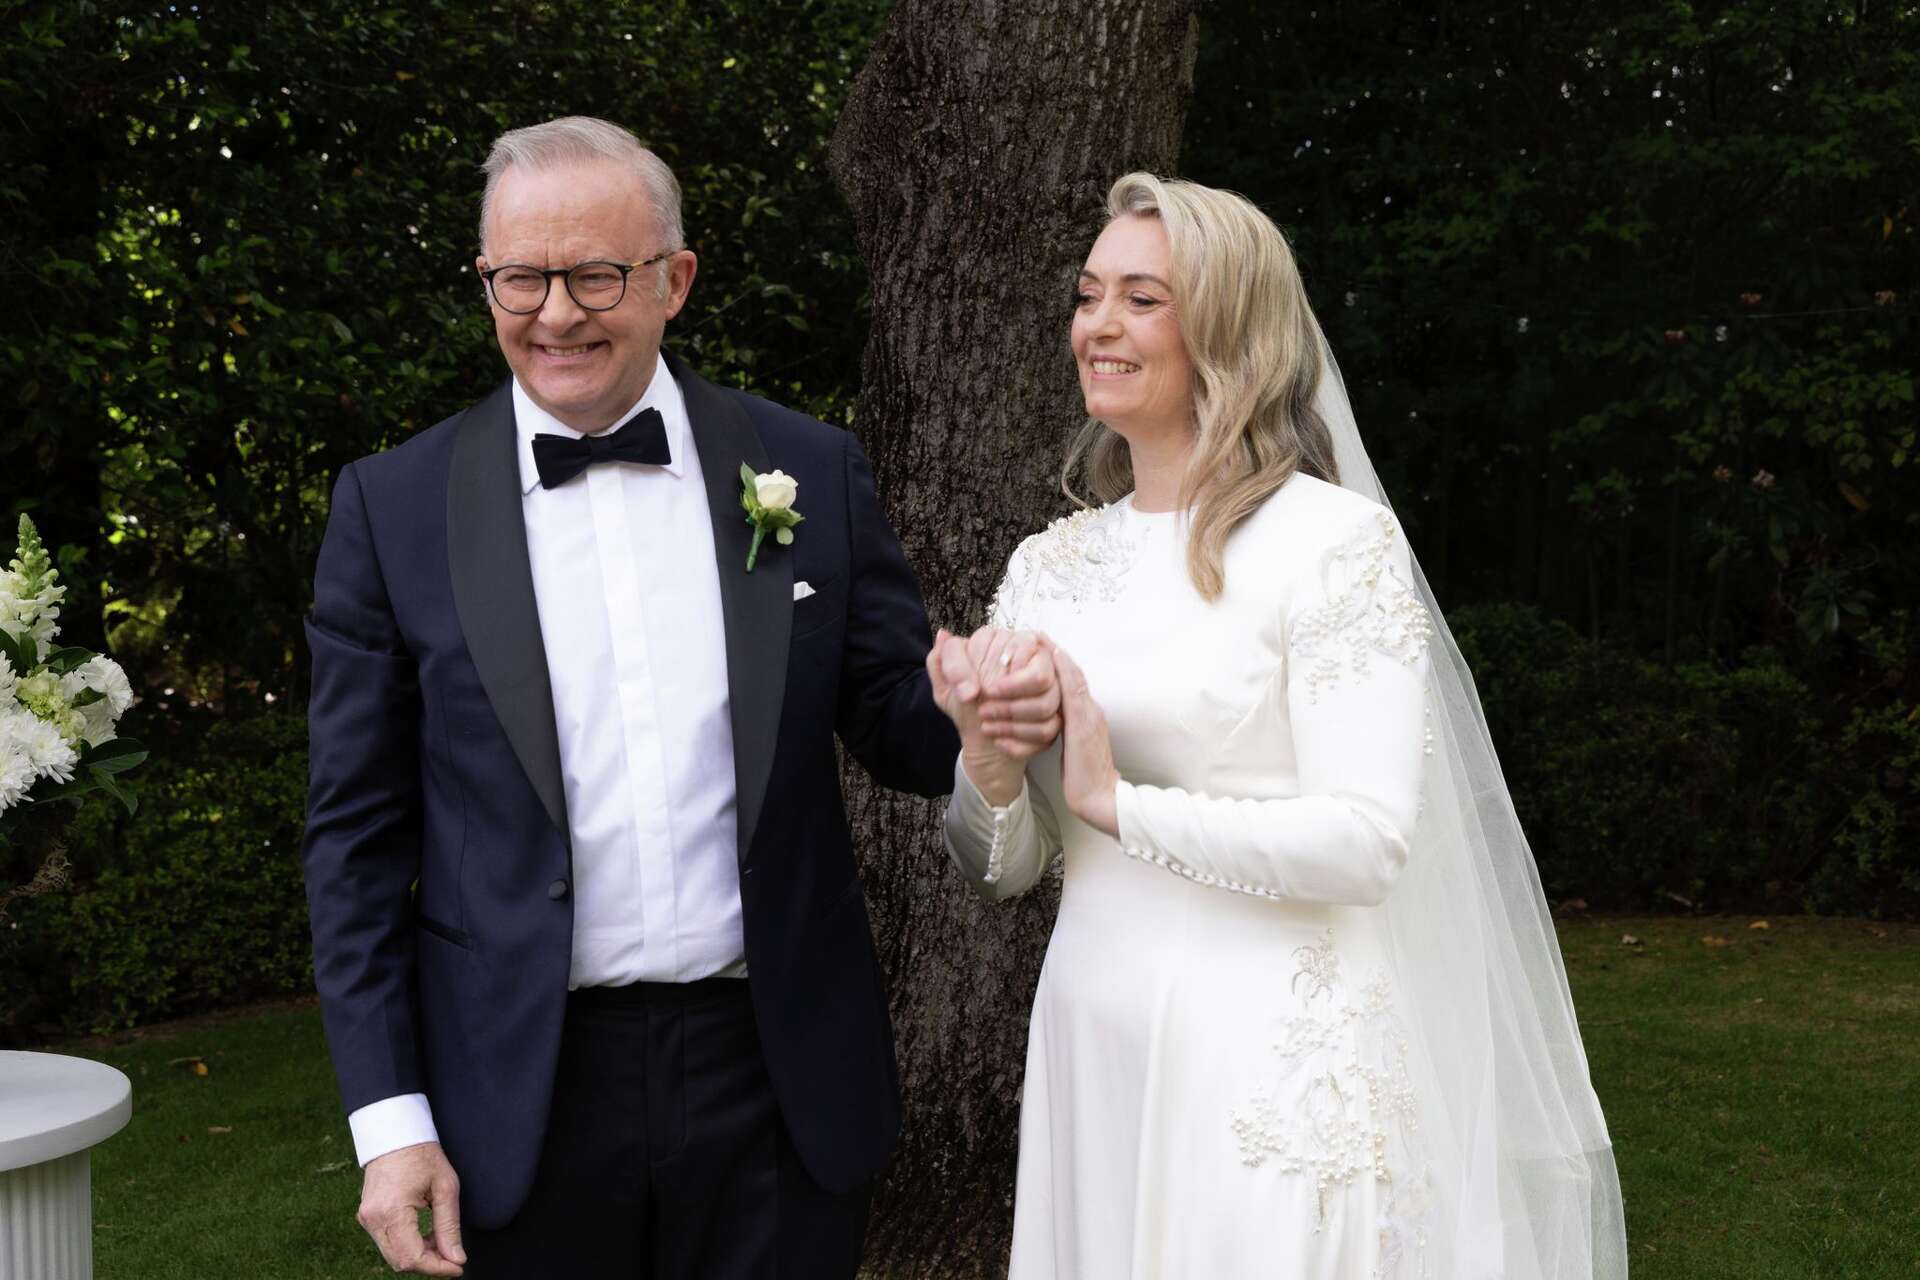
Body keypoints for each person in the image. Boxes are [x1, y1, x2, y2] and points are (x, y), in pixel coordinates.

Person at [301, 115, 1052, 1279]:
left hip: (777, 1077)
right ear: (486, 278)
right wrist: (390, 1120)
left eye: (597, 274)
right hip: (518, 1089)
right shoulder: (392, 508)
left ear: (674, 280)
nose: (557, 313)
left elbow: (895, 725)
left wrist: (971, 711)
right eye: (521, 277)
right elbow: (354, 840)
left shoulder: (808, 468)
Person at [931, 174, 1628, 1278]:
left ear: (1230, 330)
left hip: (1266, 1055)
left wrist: (1117, 801)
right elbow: (1005, 870)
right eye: (1089, 294)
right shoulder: (1047, 568)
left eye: (1143, 299)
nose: (1099, 324)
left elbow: (1365, 843)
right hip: (1094, 1039)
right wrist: (990, 763)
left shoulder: (1331, 545)